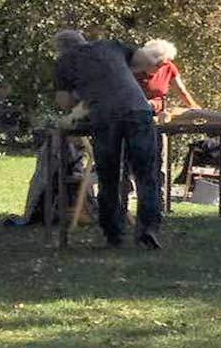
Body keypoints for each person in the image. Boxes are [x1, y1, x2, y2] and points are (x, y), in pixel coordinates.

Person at [51, 29, 164, 249]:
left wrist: (82, 91)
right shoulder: (110, 46)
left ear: (60, 49)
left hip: (105, 116)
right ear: (84, 40)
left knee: (109, 176)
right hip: (139, 111)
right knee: (146, 174)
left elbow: (64, 103)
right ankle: (148, 229)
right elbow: (145, 60)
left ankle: (114, 234)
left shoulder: (65, 61)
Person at [131, 39, 200, 112]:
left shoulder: (168, 67)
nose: (162, 67)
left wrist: (193, 106)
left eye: (164, 64)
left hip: (157, 110)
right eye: (158, 65)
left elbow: (181, 90)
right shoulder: (132, 68)